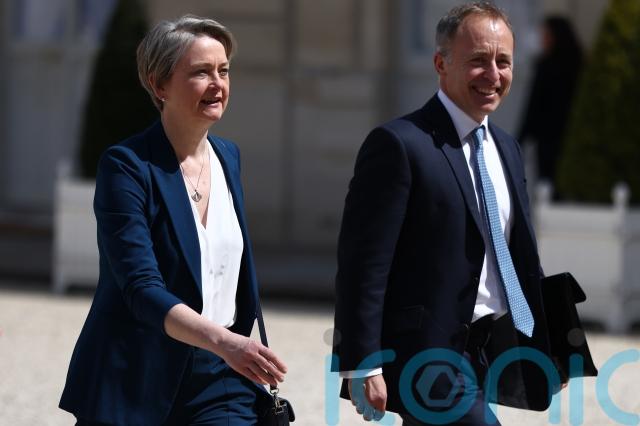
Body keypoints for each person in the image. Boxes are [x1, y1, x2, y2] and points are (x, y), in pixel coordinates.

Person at [332, 2, 558, 425]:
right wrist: (362, 363)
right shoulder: (399, 144)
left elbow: (521, 257)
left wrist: (552, 345)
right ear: (441, 63)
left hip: (492, 351)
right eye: (478, 61)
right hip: (427, 356)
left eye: (503, 62)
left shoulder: (507, 149)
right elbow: (364, 264)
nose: (493, 75)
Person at [59, 15, 287, 425]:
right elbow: (141, 288)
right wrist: (225, 342)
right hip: (137, 376)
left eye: (223, 71)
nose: (217, 84)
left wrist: (227, 346)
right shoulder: (127, 167)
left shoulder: (229, 157)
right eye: (201, 72)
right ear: (159, 85)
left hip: (220, 377)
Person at [518, 16, 583, 193]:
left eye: (546, 36)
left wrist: (521, 138)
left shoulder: (546, 66)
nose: (543, 41)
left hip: (550, 138)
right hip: (567, 137)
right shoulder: (579, 64)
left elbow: (534, 105)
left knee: (548, 186)